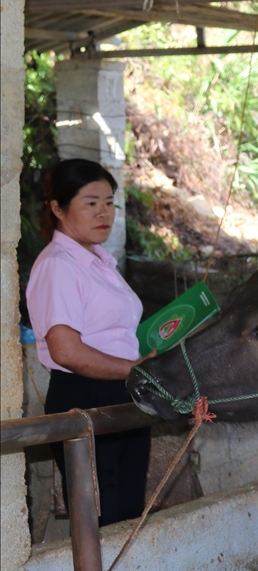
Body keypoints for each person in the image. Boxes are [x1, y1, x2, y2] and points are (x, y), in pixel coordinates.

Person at [26, 158, 154, 526]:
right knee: (102, 515)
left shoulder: (98, 261)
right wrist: (136, 368)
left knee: (128, 514)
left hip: (123, 390)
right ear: (57, 208)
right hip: (85, 395)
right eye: (91, 202)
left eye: (110, 202)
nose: (105, 213)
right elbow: (67, 351)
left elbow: (115, 333)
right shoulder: (58, 265)